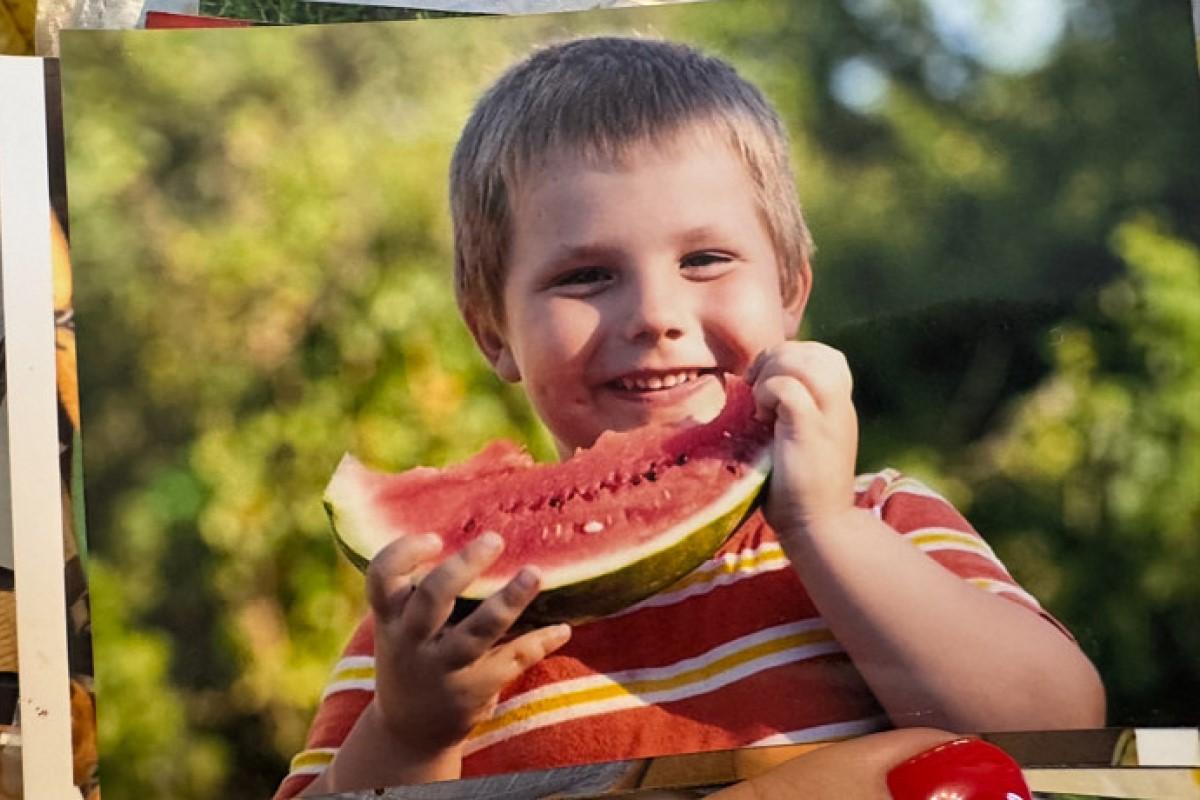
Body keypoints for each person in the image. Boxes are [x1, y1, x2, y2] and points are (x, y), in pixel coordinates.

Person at [276, 35, 1104, 799]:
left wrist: (825, 529)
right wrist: (408, 729)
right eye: (587, 276)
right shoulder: (428, 620)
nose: (656, 314)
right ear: (494, 331)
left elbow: (1064, 728)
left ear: (789, 295)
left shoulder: (881, 518)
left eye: (705, 260)